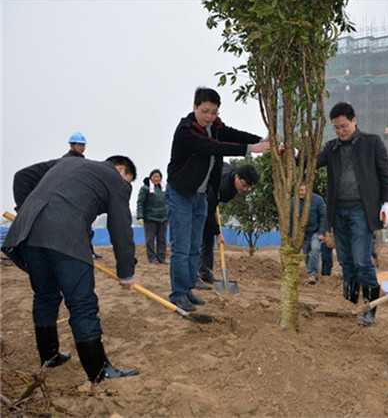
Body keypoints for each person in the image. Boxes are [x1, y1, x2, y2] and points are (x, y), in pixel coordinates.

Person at [1, 155, 140, 383]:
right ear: (121, 169)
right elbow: (120, 227)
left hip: (29, 234)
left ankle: (49, 356)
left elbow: (22, 177)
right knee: (82, 303)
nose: (127, 187)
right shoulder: (114, 179)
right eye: (128, 180)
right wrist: (126, 272)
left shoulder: (66, 162)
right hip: (66, 235)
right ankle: (99, 370)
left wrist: (27, 211)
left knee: (45, 295)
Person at [166, 87, 269, 312]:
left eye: (214, 112)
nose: (209, 117)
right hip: (181, 194)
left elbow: (231, 134)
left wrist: (260, 140)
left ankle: (188, 289)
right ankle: (178, 294)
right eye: (205, 111)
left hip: (201, 196)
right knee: (181, 248)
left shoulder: (214, 126)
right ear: (194, 107)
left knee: (195, 247)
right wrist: (251, 149)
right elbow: (213, 147)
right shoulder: (187, 130)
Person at [317, 101, 388, 326]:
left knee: (362, 260)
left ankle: (370, 308)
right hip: (338, 211)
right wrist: (293, 153)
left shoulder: (372, 143)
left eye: (344, 126)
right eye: (336, 127)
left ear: (354, 121)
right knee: (346, 261)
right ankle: (349, 305)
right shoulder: (331, 148)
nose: (341, 131)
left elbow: (385, 174)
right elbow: (312, 162)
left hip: (361, 210)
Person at [195, 162, 259, 289]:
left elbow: (221, 164)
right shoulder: (222, 186)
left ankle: (205, 271)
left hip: (210, 198)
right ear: (237, 177)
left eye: (247, 188)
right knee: (196, 238)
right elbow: (209, 211)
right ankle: (193, 276)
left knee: (208, 237)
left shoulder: (233, 175)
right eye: (243, 185)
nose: (244, 189)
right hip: (196, 197)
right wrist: (218, 233)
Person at [290, 182, 326, 286]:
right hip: (302, 234)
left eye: (303, 190)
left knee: (315, 249)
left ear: (308, 190)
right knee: (306, 256)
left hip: (316, 232)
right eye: (299, 190)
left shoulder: (318, 200)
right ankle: (313, 278)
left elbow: (323, 216)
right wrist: (291, 234)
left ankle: (312, 274)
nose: (301, 193)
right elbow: (291, 219)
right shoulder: (294, 201)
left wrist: (321, 232)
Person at [136, 169, 168, 264]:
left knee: (162, 239)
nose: (156, 178)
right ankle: (152, 257)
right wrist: (140, 216)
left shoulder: (164, 188)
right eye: (154, 176)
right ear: (151, 178)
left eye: (158, 177)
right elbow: (140, 203)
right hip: (150, 218)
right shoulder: (145, 188)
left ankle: (161, 257)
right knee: (150, 240)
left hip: (163, 218)